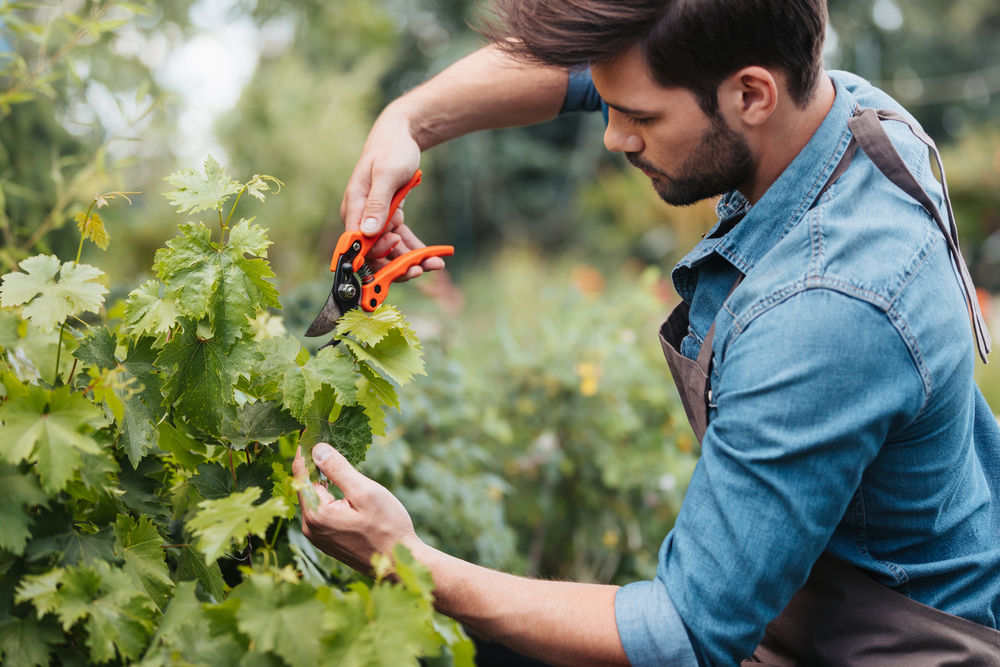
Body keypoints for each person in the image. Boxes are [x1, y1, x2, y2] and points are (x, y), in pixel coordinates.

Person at [292, 1, 1000, 665]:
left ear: (752, 96)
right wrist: (406, 122)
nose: (612, 135)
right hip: (821, 599)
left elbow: (685, 635)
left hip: (891, 643)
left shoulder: (825, 311)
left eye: (638, 116)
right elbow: (579, 72)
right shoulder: (828, 105)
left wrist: (408, 559)